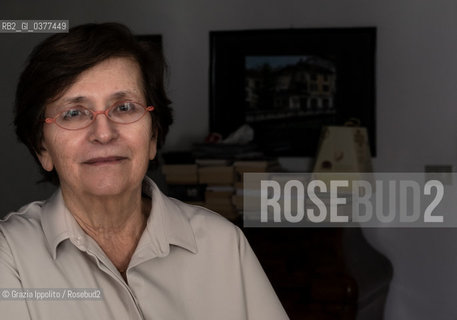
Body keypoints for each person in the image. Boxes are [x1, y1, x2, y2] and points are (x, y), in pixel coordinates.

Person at [0, 23, 289, 319]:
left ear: (152, 137)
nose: (103, 133)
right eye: (73, 113)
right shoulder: (10, 256)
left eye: (124, 108)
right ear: (42, 148)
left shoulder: (223, 244)